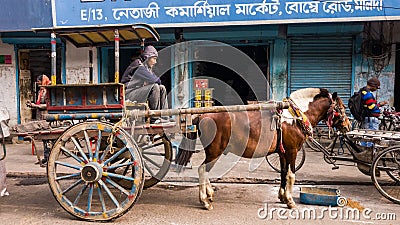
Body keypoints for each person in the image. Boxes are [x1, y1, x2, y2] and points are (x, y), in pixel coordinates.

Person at [121, 46, 170, 123]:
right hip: (129, 94)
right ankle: (155, 118)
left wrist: (153, 80)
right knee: (155, 87)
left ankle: (165, 117)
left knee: (162, 88)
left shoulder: (146, 67)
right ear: (148, 57)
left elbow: (157, 80)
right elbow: (155, 80)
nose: (155, 62)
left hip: (137, 91)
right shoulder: (138, 65)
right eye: (154, 59)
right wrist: (152, 80)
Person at [25, 74, 52, 166]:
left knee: (47, 138)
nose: (37, 83)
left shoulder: (48, 91)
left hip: (46, 117)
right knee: (44, 139)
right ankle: (46, 157)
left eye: (39, 81)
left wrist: (35, 106)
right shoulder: (41, 91)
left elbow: (47, 105)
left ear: (43, 81)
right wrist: (32, 104)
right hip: (40, 116)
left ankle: (49, 158)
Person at [359, 77, 388, 147]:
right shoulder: (368, 94)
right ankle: (370, 156)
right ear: (373, 85)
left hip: (367, 119)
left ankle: (364, 155)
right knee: (371, 140)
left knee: (365, 138)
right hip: (371, 120)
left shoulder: (362, 91)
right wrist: (380, 104)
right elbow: (371, 107)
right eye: (376, 88)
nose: (376, 89)